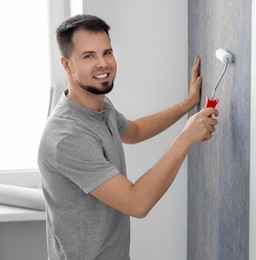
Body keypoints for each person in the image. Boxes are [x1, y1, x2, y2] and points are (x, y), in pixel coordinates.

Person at [38, 14, 218, 260]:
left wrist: (187, 105)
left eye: (107, 52)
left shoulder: (99, 106)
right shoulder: (68, 137)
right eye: (89, 56)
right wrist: (186, 137)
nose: (103, 63)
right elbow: (137, 203)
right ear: (66, 64)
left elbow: (134, 131)